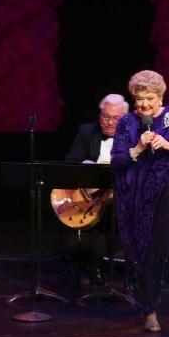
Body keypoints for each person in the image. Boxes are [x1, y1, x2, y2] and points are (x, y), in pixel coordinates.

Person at [110, 70, 169, 332]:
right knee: (143, 253)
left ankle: (149, 296)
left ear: (160, 97)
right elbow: (116, 163)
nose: (144, 104)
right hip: (136, 198)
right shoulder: (127, 122)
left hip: (168, 194)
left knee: (168, 248)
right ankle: (149, 309)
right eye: (139, 99)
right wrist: (136, 148)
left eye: (149, 98)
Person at [62, 94, 129, 286]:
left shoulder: (135, 135)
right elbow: (72, 162)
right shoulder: (87, 131)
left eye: (115, 118)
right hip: (92, 203)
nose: (109, 123)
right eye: (105, 116)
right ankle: (95, 266)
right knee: (75, 246)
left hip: (123, 204)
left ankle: (134, 282)